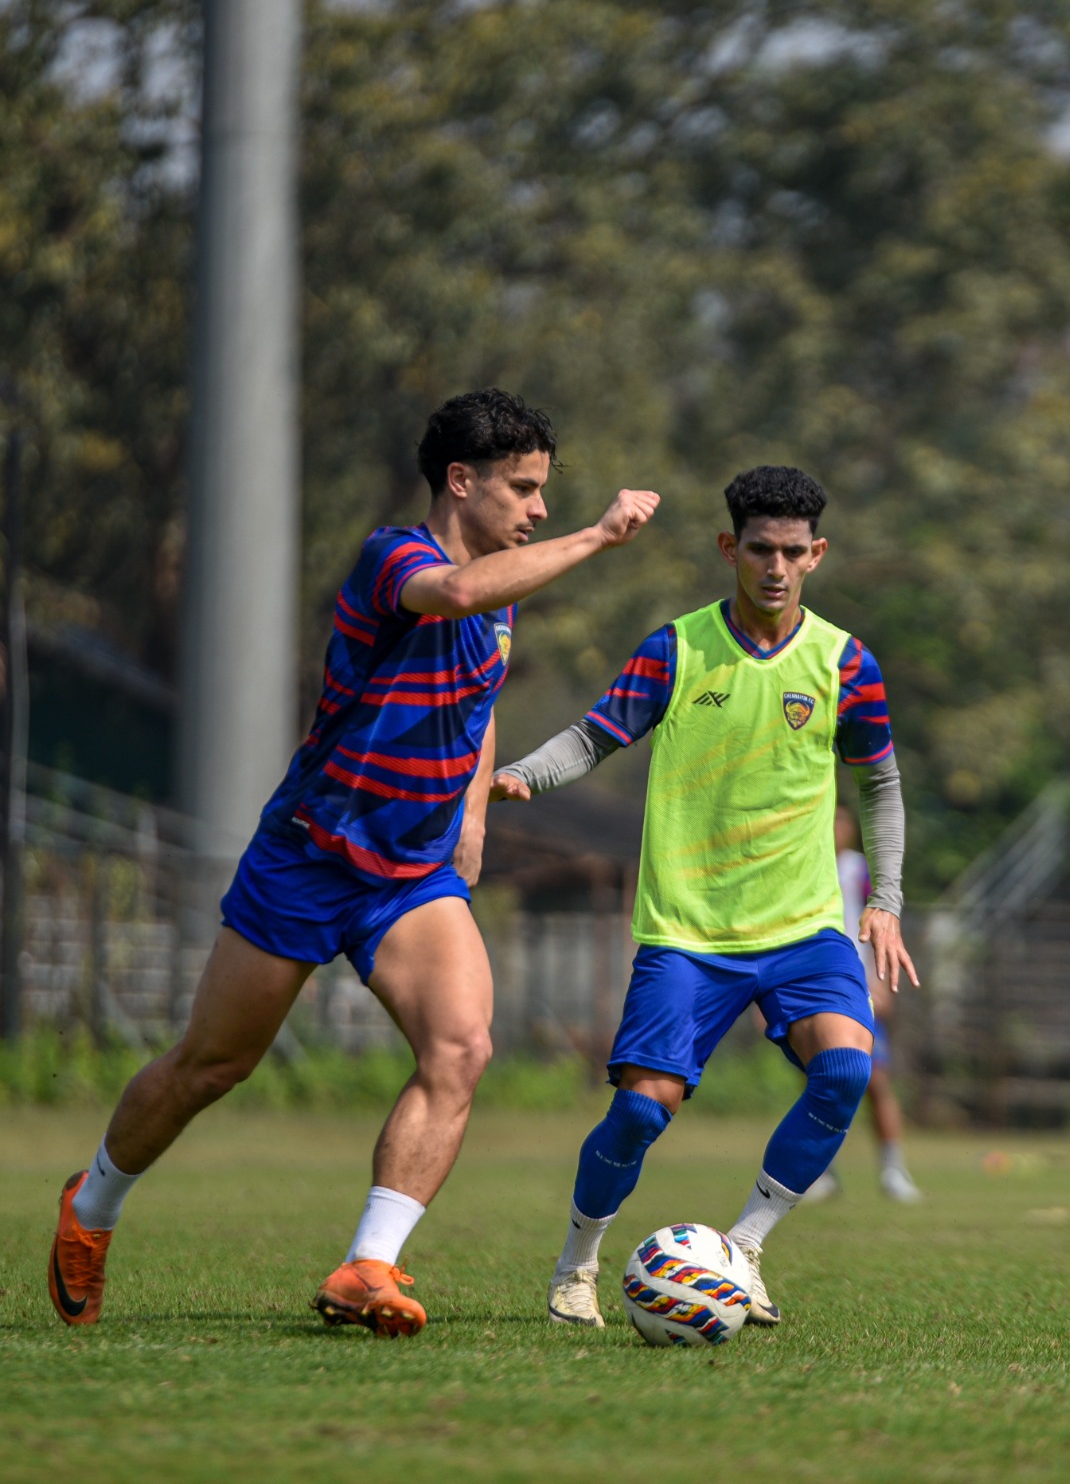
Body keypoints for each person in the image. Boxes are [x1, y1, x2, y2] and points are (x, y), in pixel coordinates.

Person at [48, 388, 659, 1336]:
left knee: (461, 1049)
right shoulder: (398, 559)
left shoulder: (502, 586)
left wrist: (472, 818)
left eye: (547, 495)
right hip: (309, 858)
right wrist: (597, 536)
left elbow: (482, 695)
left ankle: (368, 1265)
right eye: (525, 489)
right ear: (462, 481)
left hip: (412, 875)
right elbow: (453, 597)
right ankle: (91, 1208)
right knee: (212, 1066)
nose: (539, 509)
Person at [490, 464, 916, 1329]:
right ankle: (577, 1265)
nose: (776, 567)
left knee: (845, 1068)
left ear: (817, 555)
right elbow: (593, 736)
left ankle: (746, 1248)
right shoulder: (676, 649)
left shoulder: (846, 662)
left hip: (803, 927)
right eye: (760, 548)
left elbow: (880, 785)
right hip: (690, 931)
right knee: (643, 1113)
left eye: (794, 552)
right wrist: (523, 775)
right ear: (731, 548)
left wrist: (888, 898)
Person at [805, 808, 922, 1204]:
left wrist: (880, 979)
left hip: (858, 987)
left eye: (840, 822)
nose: (833, 829)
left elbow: (881, 921)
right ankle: (819, 1174)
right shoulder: (802, 866)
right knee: (818, 1082)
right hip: (811, 987)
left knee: (875, 1081)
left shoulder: (857, 871)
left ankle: (893, 1170)